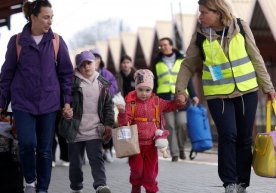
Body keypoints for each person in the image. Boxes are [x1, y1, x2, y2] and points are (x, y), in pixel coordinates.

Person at [175, 0, 276, 192]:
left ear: (218, 12)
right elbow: (188, 64)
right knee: (228, 135)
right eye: (200, 12)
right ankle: (229, 182)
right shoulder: (200, 36)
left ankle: (242, 183)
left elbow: (256, 57)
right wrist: (180, 90)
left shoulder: (241, 27)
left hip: (247, 91)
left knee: (245, 138)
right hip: (218, 95)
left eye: (204, 12)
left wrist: (268, 86)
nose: (200, 16)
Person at [0, 1, 73, 193]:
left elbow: (66, 75)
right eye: (46, 17)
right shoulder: (17, 41)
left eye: (51, 17)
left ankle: (42, 188)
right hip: (23, 102)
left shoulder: (57, 41)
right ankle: (30, 180)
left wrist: (67, 101)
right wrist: (1, 102)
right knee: (27, 143)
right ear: (33, 17)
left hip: (49, 104)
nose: (50, 21)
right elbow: (6, 74)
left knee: (45, 149)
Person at [117, 69, 184, 193]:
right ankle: (135, 187)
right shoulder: (131, 103)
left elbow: (170, 105)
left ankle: (151, 190)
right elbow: (123, 123)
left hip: (151, 146)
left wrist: (179, 102)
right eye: (140, 89)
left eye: (147, 90)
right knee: (136, 171)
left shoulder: (157, 102)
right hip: (135, 146)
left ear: (152, 89)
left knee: (150, 175)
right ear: (135, 88)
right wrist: (121, 114)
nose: (144, 93)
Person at [61, 50, 114, 193]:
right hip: (75, 130)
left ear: (95, 63)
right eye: (82, 65)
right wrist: (66, 110)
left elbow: (109, 106)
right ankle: (76, 187)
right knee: (76, 164)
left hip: (95, 130)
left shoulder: (103, 83)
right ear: (77, 67)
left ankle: (100, 185)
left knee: (96, 159)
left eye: (89, 63)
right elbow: (65, 100)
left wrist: (109, 125)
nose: (87, 67)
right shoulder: (72, 83)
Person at [152, 37, 199, 162]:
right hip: (164, 98)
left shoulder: (182, 60)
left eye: (165, 45)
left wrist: (194, 95)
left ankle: (182, 148)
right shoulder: (156, 62)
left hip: (181, 97)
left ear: (171, 45)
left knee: (182, 124)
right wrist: (153, 97)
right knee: (170, 126)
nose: (163, 47)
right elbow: (154, 82)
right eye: (161, 45)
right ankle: (175, 153)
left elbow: (188, 79)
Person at [91, 48, 119, 163]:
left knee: (108, 127)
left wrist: (104, 91)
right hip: (91, 107)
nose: (95, 60)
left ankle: (108, 150)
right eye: (93, 58)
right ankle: (100, 150)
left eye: (97, 58)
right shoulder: (85, 72)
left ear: (100, 60)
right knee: (96, 129)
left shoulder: (106, 73)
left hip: (106, 105)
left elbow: (114, 87)